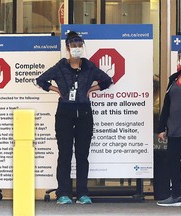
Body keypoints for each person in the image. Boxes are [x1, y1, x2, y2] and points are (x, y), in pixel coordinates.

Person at [36, 31, 112, 204]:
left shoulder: (89, 67)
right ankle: (63, 193)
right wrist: (57, 91)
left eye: (79, 46)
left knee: (82, 154)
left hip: (84, 113)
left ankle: (82, 193)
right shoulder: (60, 67)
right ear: (68, 48)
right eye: (73, 46)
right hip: (64, 113)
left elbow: (107, 80)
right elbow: (41, 80)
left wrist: (91, 90)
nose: (77, 49)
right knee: (65, 154)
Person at [156, 45, 181, 207]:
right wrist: (161, 127)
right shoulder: (173, 79)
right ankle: (177, 193)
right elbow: (167, 104)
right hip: (174, 129)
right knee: (172, 160)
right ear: (178, 59)